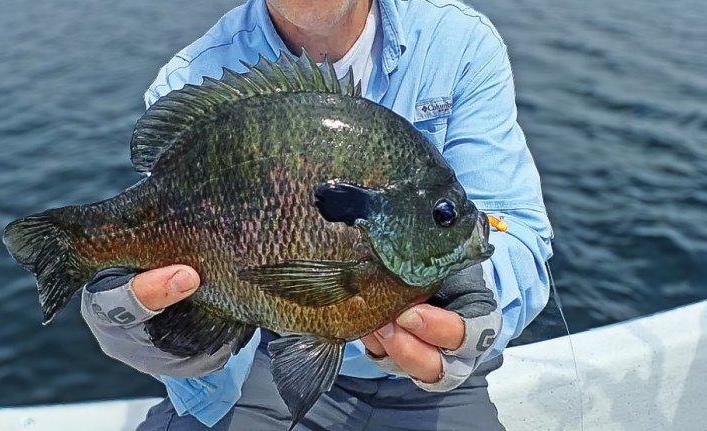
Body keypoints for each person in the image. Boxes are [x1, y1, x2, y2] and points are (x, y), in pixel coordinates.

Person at [81, 0, 554, 429]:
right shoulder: (190, 76)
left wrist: (471, 305)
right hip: (255, 362)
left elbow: (515, 230)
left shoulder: (460, 43)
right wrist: (143, 328)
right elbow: (160, 225)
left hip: (435, 389)